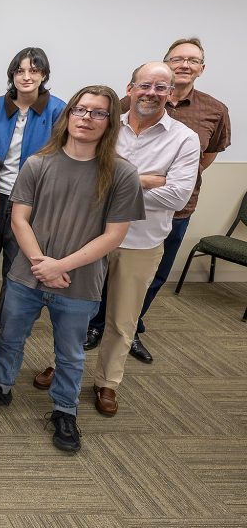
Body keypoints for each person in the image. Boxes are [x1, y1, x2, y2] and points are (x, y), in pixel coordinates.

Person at [0, 86, 145, 453]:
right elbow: (19, 219)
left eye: (98, 113)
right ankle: (0, 387)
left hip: (79, 281)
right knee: (10, 339)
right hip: (25, 276)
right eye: (80, 110)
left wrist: (59, 266)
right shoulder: (38, 163)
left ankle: (65, 409)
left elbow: (114, 236)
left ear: (110, 122)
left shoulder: (122, 174)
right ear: (68, 117)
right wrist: (41, 265)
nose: (86, 118)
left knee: (70, 353)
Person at [36, 63, 198, 415]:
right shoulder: (106, 124)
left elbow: (178, 197)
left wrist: (118, 183)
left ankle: (107, 382)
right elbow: (79, 175)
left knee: (122, 319)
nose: (151, 93)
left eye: (160, 87)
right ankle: (60, 365)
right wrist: (146, 180)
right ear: (130, 87)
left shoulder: (185, 138)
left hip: (141, 243)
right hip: (89, 238)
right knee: (73, 310)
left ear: (170, 94)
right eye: (145, 85)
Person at [100, 37, 231, 362]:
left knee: (152, 275)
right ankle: (95, 325)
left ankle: (130, 328)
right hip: (110, 213)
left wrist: (169, 180)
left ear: (201, 68)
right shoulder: (126, 105)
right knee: (104, 273)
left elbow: (207, 157)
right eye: (178, 58)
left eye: (193, 60)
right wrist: (144, 180)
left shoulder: (215, 110)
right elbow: (99, 168)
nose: (185, 64)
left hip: (175, 211)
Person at [0, 47, 66, 339]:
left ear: (43, 75)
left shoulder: (58, 110)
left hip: (30, 203)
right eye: (20, 70)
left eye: (33, 70)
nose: (26, 76)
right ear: (12, 75)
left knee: (17, 266)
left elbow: (61, 158)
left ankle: (7, 318)